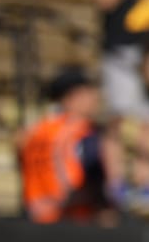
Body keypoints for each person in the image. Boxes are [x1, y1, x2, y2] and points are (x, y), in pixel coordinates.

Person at [19, 67, 111, 224]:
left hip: (35, 218)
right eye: (89, 92)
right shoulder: (81, 131)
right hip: (72, 217)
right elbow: (95, 179)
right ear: (72, 97)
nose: (95, 98)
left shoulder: (35, 130)